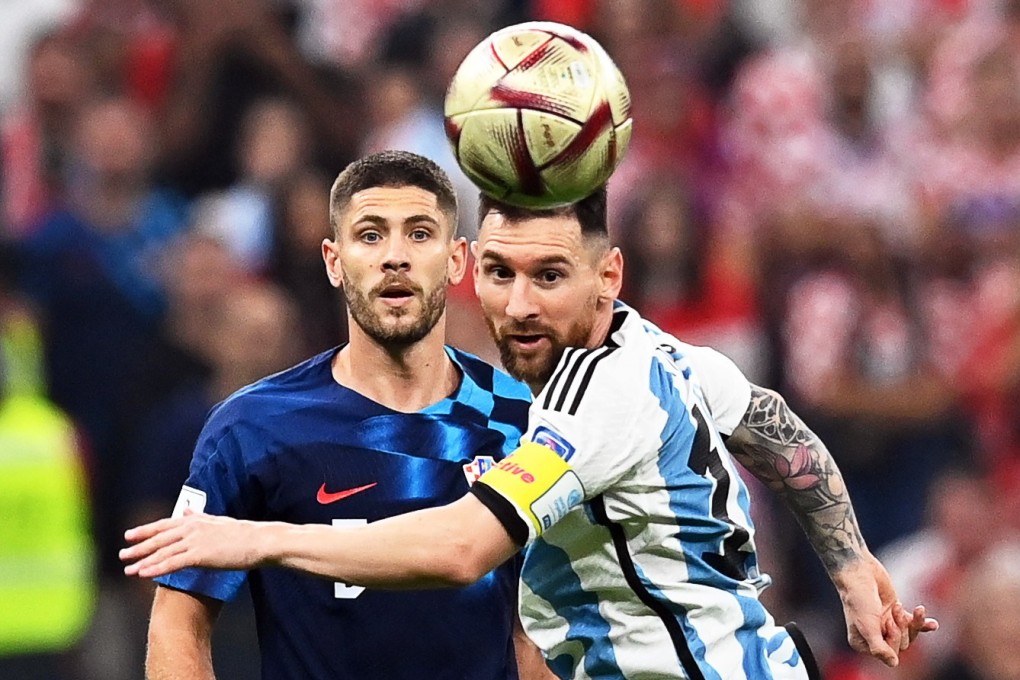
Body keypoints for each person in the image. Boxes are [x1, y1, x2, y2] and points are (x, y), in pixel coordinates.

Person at [122, 187, 938, 679]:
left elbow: (457, 550)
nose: (519, 305)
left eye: (549, 277)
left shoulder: (586, 402)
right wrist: (851, 564)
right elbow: (775, 428)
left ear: (607, 273)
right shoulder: (664, 354)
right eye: (503, 276)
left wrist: (258, 539)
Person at [135, 151, 546, 680]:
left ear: (457, 260)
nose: (395, 256)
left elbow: (538, 629)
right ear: (333, 260)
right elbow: (177, 622)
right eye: (371, 235)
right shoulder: (253, 426)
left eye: (419, 234)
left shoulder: (524, 419)